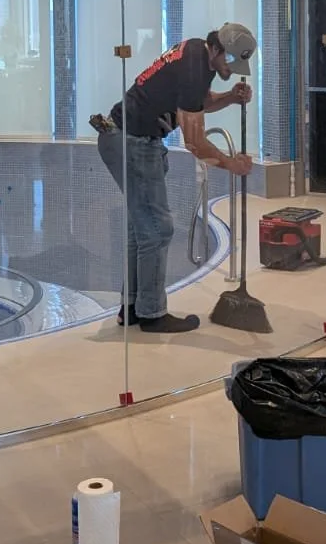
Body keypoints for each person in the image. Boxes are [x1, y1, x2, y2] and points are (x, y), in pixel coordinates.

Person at [94, 23, 256, 333]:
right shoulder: (196, 66)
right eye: (231, 62)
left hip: (124, 136)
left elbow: (197, 101)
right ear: (219, 49)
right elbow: (194, 142)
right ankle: (152, 314)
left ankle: (133, 308)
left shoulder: (196, 53)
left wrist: (230, 98)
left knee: (141, 228)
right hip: (133, 141)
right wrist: (231, 164)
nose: (233, 70)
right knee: (158, 229)